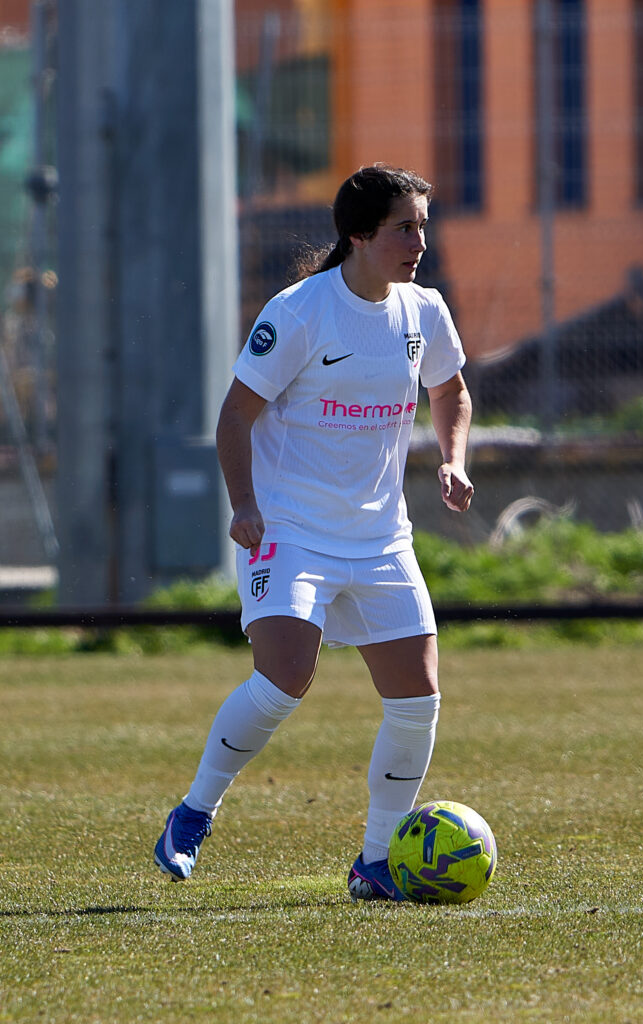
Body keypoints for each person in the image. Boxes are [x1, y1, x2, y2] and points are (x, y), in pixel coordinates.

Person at [154, 163, 474, 901]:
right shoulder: (299, 312)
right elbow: (235, 416)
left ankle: (375, 864)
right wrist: (244, 505)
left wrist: (451, 459)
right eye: (404, 227)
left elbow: (450, 388)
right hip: (291, 529)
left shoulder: (424, 311)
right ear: (359, 235)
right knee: (287, 674)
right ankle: (193, 813)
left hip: (380, 537)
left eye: (422, 226)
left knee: (417, 698)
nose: (418, 242)